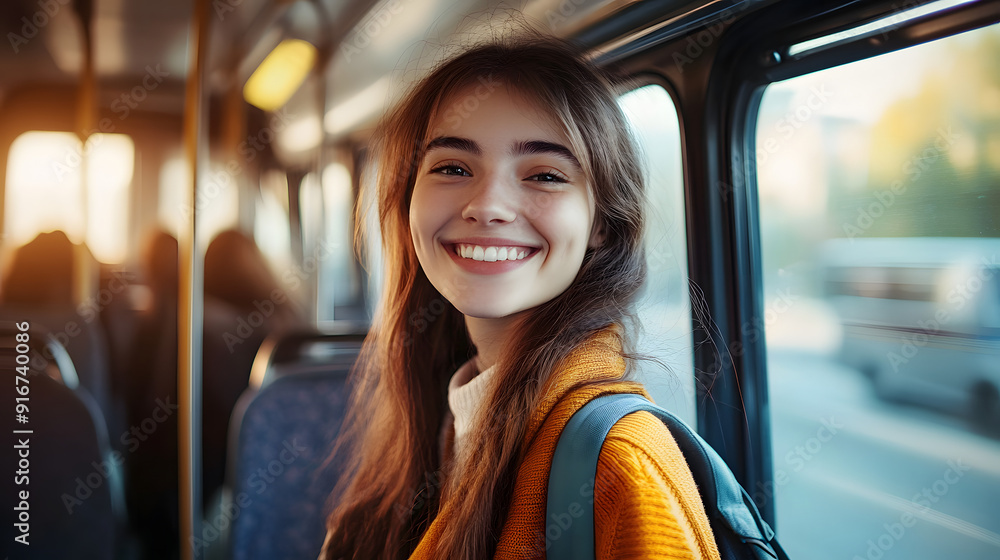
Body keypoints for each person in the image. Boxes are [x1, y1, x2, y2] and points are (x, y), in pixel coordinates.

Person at [320, 36, 721, 560]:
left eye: (545, 176)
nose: (488, 207)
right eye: (453, 168)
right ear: (407, 200)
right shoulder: (444, 417)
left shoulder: (621, 466)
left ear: (601, 223)